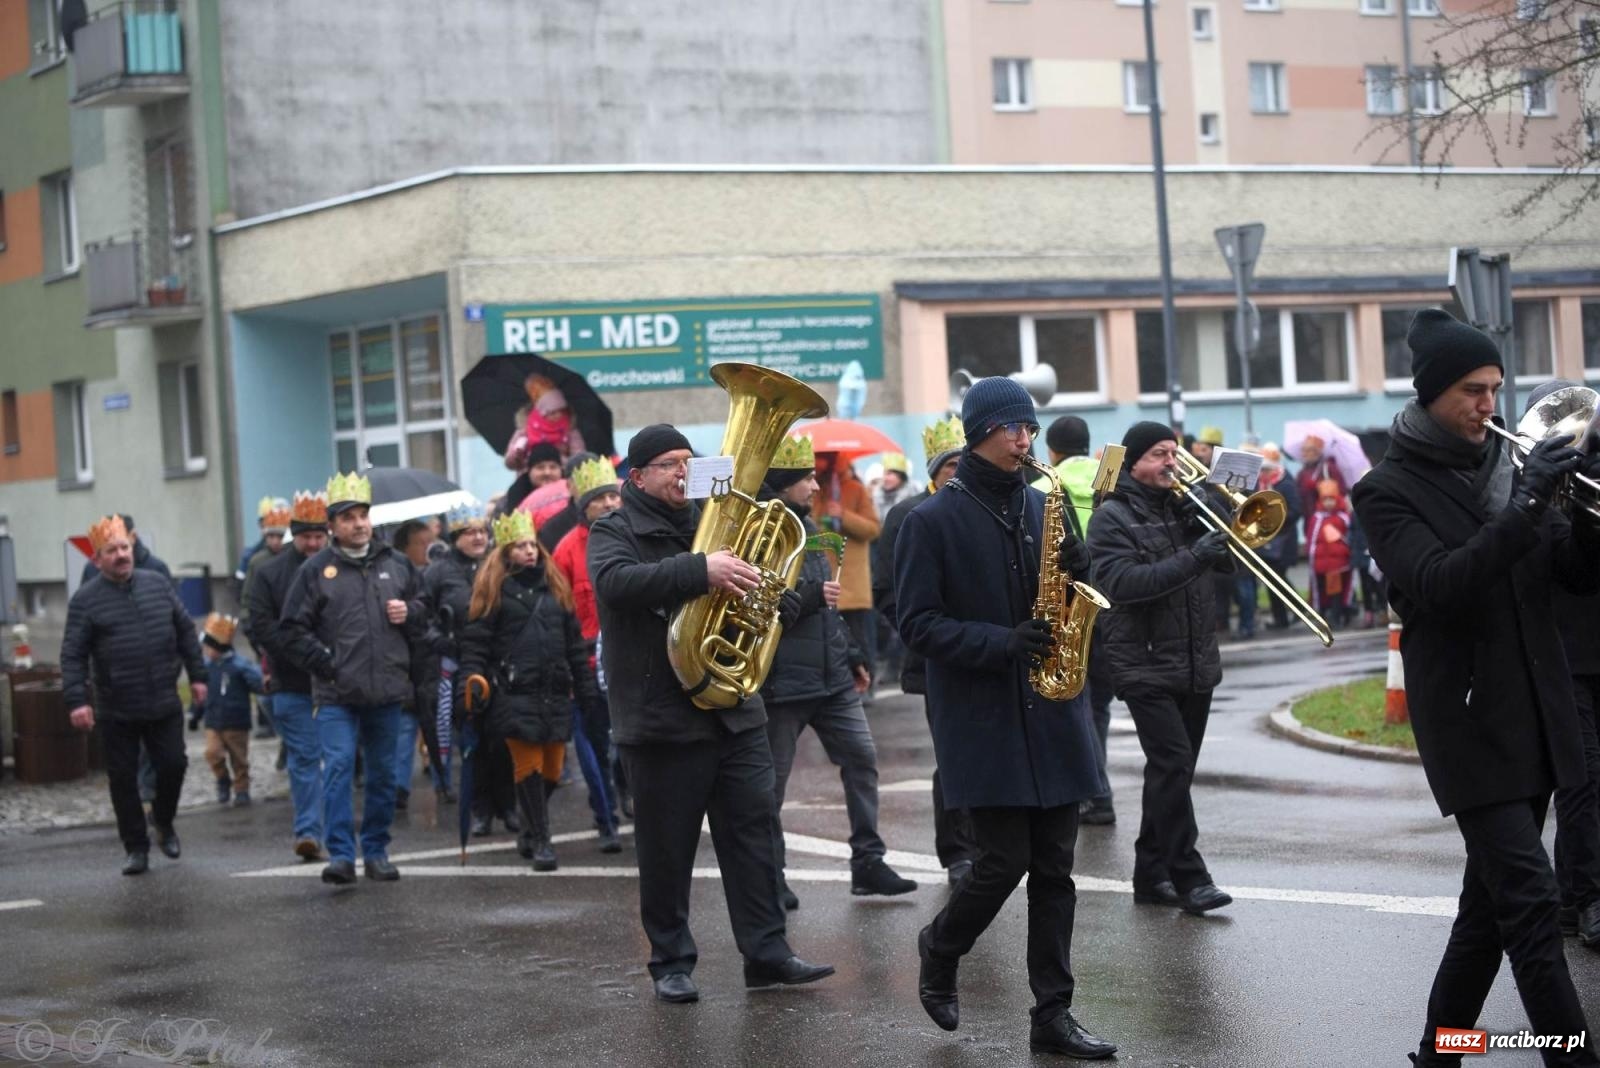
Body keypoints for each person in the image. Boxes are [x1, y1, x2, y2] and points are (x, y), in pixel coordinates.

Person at [1351, 309, 1600, 1066]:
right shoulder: (1386, 489)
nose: (1488, 405)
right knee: (1531, 903)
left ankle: (1442, 1049)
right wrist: (1528, 504)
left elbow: (1570, 575)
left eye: (1494, 388)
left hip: (1534, 712)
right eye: (1471, 390)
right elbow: (1439, 583)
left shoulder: (1509, 467)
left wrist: (1585, 522)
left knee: (1486, 913)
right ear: (1431, 392)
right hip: (1467, 723)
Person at [895, 380, 1115, 1058]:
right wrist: (1001, 642)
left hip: (1052, 708)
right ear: (979, 433)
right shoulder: (930, 521)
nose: (1025, 439)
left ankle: (1053, 1014)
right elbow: (917, 625)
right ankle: (941, 946)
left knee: (1055, 869)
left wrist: (1079, 568)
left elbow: (1067, 597)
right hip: (982, 715)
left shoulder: (1046, 504)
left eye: (1029, 427)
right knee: (1002, 861)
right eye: (1012, 428)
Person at [589, 423, 834, 1004]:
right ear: (637, 476)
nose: (683, 471)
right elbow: (615, 584)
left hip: (733, 709)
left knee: (754, 837)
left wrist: (773, 597)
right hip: (661, 718)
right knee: (667, 849)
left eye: (687, 461)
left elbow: (763, 587)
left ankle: (767, 953)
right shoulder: (614, 528)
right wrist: (701, 570)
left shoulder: (718, 518)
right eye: (668, 464)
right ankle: (670, 961)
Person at [758, 434, 917, 909]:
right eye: (806, 478)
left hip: (830, 680)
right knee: (770, 789)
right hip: (782, 685)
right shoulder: (759, 531)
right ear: (784, 483)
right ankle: (770, 878)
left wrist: (850, 654)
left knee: (862, 760)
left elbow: (825, 602)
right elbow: (754, 606)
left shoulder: (806, 526)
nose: (814, 485)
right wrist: (809, 600)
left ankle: (868, 862)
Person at [1086, 422, 1235, 917]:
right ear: (1133, 464)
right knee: (1172, 765)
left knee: (1174, 773)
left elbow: (1231, 562)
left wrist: (1215, 516)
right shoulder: (1111, 517)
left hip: (1195, 660)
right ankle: (1191, 878)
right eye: (1158, 454)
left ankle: (1150, 875)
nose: (1171, 462)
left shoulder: (1183, 505)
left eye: (1174, 452)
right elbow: (1122, 584)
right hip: (1143, 661)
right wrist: (1195, 555)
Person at [280, 472, 424, 886]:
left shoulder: (396, 564)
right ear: (332, 526)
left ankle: (376, 851)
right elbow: (291, 629)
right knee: (339, 767)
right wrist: (326, 663)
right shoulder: (315, 571)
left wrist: (410, 612)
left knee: (383, 775)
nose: (359, 524)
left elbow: (425, 608)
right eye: (348, 518)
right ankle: (341, 855)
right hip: (336, 693)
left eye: (363, 515)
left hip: (386, 690)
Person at [62, 515, 207, 876]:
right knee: (123, 779)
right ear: (97, 559)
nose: (121, 555)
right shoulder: (85, 600)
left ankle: (163, 820)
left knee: (174, 765)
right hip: (117, 707)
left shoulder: (156, 583)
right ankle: (136, 847)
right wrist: (77, 700)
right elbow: (73, 654)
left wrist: (198, 676)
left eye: (124, 547)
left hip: (162, 698)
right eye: (111, 550)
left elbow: (185, 631)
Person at [458, 510, 602, 871]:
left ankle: (527, 827)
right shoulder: (494, 590)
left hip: (554, 691)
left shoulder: (556, 588)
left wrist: (585, 688)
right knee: (529, 766)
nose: (529, 551)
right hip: (513, 693)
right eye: (520, 546)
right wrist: (470, 683)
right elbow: (475, 645)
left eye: (532, 545)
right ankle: (542, 840)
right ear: (507, 551)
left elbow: (574, 645)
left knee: (553, 768)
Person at [876, 414, 976, 883]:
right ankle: (958, 851)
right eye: (951, 465)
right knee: (954, 755)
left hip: (992, 651)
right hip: (938, 657)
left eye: (964, 463)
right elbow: (886, 590)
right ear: (935, 471)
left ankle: (989, 842)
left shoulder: (984, 506)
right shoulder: (908, 515)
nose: (959, 472)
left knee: (991, 751)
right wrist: (925, 634)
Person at [1033, 415, 1116, 825]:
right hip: (1112, 608)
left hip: (1070, 609)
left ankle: (1094, 793)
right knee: (1098, 706)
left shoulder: (1040, 488)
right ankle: (1098, 791)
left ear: (1051, 451)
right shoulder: (1109, 480)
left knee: (1077, 706)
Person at [244, 490, 330, 861]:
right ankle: (308, 830)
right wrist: (309, 656)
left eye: (319, 536)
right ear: (295, 534)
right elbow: (262, 626)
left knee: (339, 759)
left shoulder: (341, 568)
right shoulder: (269, 573)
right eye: (306, 536)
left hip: (339, 682)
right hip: (291, 682)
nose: (313, 544)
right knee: (305, 757)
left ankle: (336, 828)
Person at [550, 454, 625, 852]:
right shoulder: (565, 551)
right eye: (600, 499)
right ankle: (605, 816)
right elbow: (559, 614)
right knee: (594, 746)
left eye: (614, 496)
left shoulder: (633, 537)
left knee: (628, 743)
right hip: (587, 665)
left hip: (628, 660)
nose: (610, 503)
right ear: (584, 505)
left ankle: (627, 792)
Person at [419, 503, 493, 807]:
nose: (478, 537)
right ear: (455, 536)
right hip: (450, 661)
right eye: (469, 532)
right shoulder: (437, 571)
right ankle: (444, 783)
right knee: (446, 725)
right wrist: (438, 639)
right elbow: (421, 614)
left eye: (482, 531)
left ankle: (488, 795)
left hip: (489, 658)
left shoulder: (496, 563)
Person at [811, 450, 880, 702]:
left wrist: (843, 515)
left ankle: (867, 684)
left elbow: (873, 529)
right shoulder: (813, 489)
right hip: (823, 578)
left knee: (859, 637)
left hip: (852, 581)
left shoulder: (855, 489)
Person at [192, 613, 265, 807]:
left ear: (218, 646)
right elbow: (201, 694)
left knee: (239, 758)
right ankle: (222, 778)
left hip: (237, 721)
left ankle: (241, 789)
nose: (206, 651)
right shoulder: (206, 667)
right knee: (212, 753)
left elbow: (258, 684)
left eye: (208, 647)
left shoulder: (240, 666)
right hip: (213, 720)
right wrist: (195, 715)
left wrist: (263, 685)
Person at [392, 517, 440, 812]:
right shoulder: (397, 575)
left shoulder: (437, 572)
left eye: (429, 541)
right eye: (421, 544)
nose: (427, 548)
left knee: (438, 725)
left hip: (432, 662)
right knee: (405, 726)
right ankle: (399, 787)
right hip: (406, 664)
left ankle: (442, 779)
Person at [239, 500, 291, 742]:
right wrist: (251, 630)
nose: (275, 542)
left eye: (280, 536)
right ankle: (274, 729)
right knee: (267, 688)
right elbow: (248, 598)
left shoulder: (294, 559)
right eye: (271, 536)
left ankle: (287, 741)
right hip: (263, 634)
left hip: (288, 631)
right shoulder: (257, 561)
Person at [1254, 443, 1301, 632]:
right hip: (1268, 538)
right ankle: (1282, 617)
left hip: (1283, 539)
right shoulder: (1260, 484)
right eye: (1261, 469)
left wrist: (1275, 518)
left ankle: (1295, 609)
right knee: (1272, 579)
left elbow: (1296, 510)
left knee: (1277, 578)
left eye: (1266, 469)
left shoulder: (1285, 483)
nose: (1262, 473)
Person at [1307, 479, 1354, 629]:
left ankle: (1336, 617)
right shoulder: (1316, 518)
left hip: (1337, 564)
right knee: (1321, 592)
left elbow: (1349, 538)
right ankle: (1323, 617)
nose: (1328, 503)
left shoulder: (1342, 517)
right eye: (1325, 499)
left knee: (1335, 592)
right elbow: (1311, 540)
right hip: (1320, 563)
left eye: (1331, 499)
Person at [871, 451, 919, 519]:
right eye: (884, 473)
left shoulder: (913, 496)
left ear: (901, 476)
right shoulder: (878, 497)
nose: (885, 478)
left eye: (889, 474)